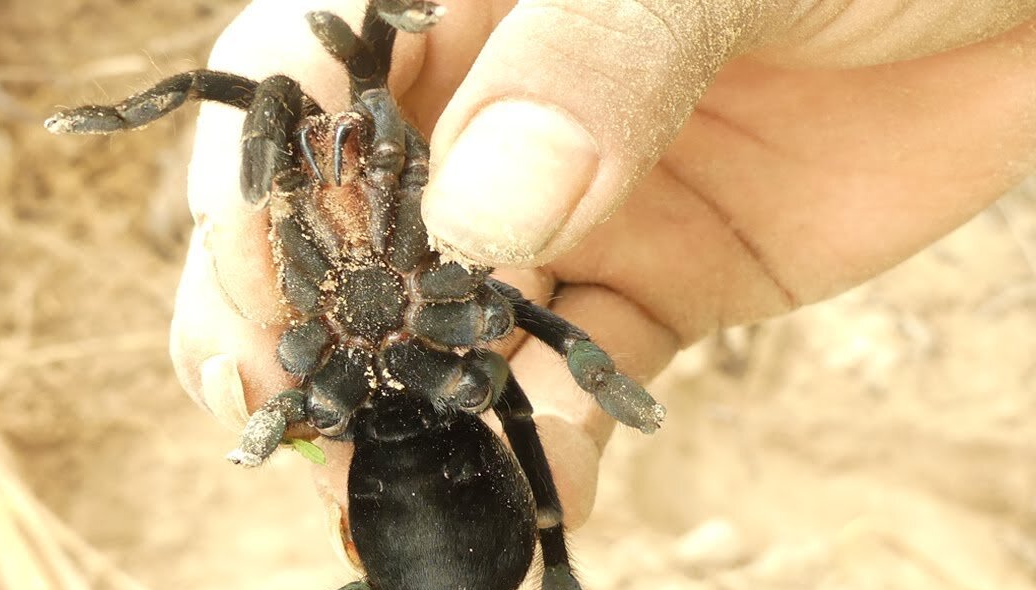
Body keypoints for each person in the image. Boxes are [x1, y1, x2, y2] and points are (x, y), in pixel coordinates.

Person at [171, 0, 1036, 531]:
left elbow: (374, 103)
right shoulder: (352, 224)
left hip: (387, 352)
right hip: (391, 371)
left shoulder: (404, 198)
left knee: (494, 319)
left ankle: (277, 434)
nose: (349, 147)